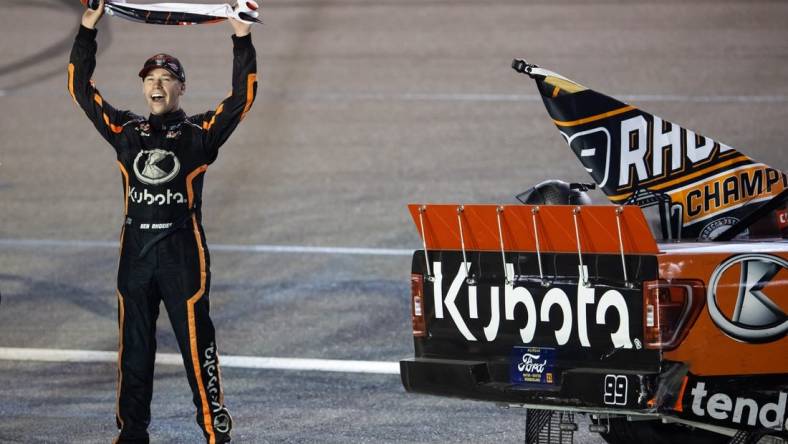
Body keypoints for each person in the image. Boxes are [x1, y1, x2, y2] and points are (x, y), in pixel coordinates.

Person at [68, 1, 257, 442]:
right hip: (134, 257)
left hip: (182, 256)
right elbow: (80, 88)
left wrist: (241, 36)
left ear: (181, 88)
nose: (157, 85)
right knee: (134, 351)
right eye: (150, 79)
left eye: (166, 79)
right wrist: (89, 25)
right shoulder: (125, 131)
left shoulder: (199, 133)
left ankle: (215, 430)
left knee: (197, 346)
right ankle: (132, 434)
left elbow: (242, 98)